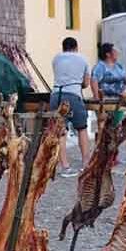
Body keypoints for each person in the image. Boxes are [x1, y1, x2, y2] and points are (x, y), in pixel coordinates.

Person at [50, 37, 91, 177]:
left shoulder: (56, 59)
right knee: (82, 128)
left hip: (56, 95)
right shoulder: (82, 59)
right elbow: (86, 83)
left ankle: (65, 166)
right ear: (76, 47)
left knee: (61, 131)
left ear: (63, 47)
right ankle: (86, 163)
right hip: (73, 95)